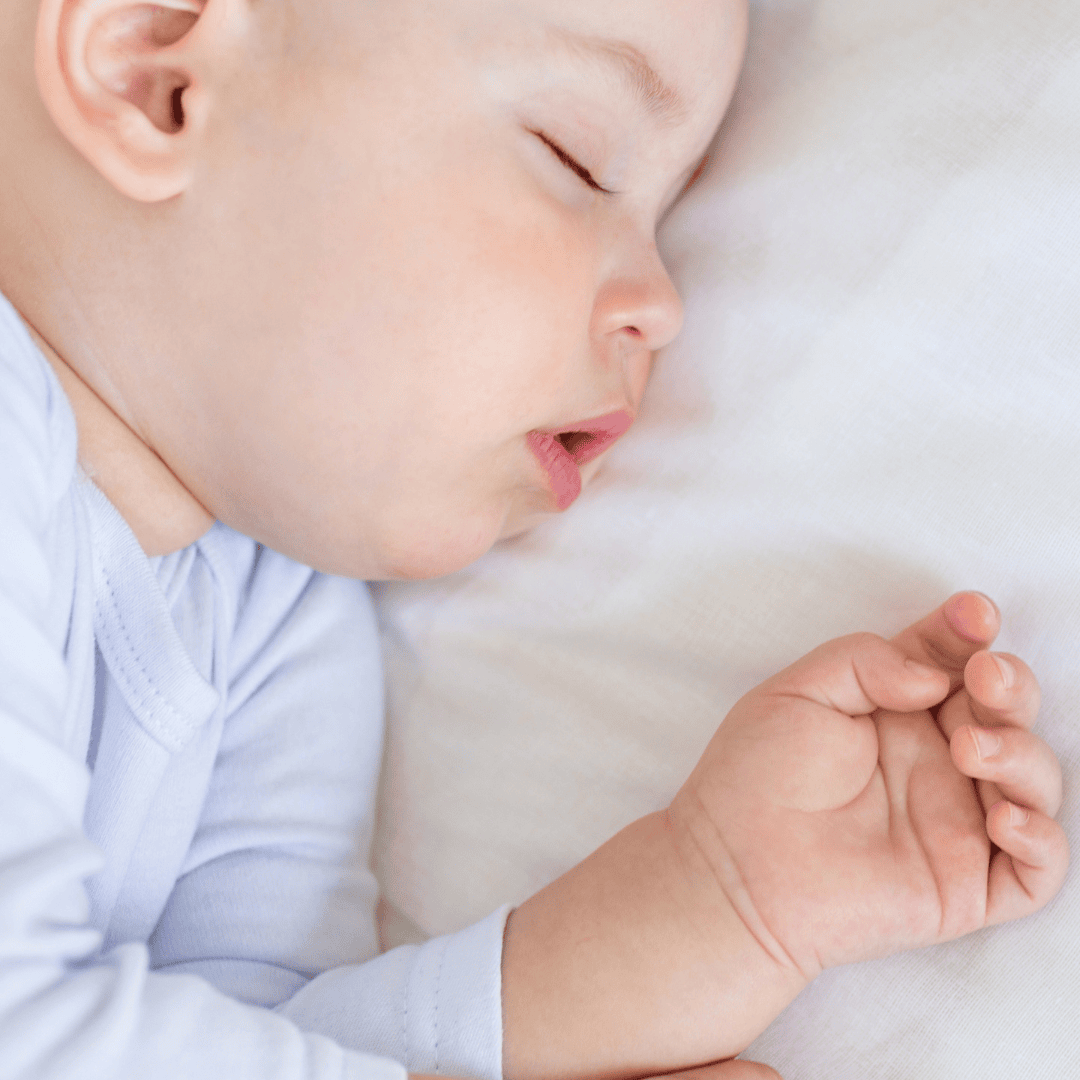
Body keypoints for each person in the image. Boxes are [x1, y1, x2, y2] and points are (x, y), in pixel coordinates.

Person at [0, 0, 1067, 1076]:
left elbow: (263, 1043)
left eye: (667, 214)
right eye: (580, 161)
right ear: (153, 79)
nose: (664, 305)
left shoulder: (278, 611)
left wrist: (718, 904)